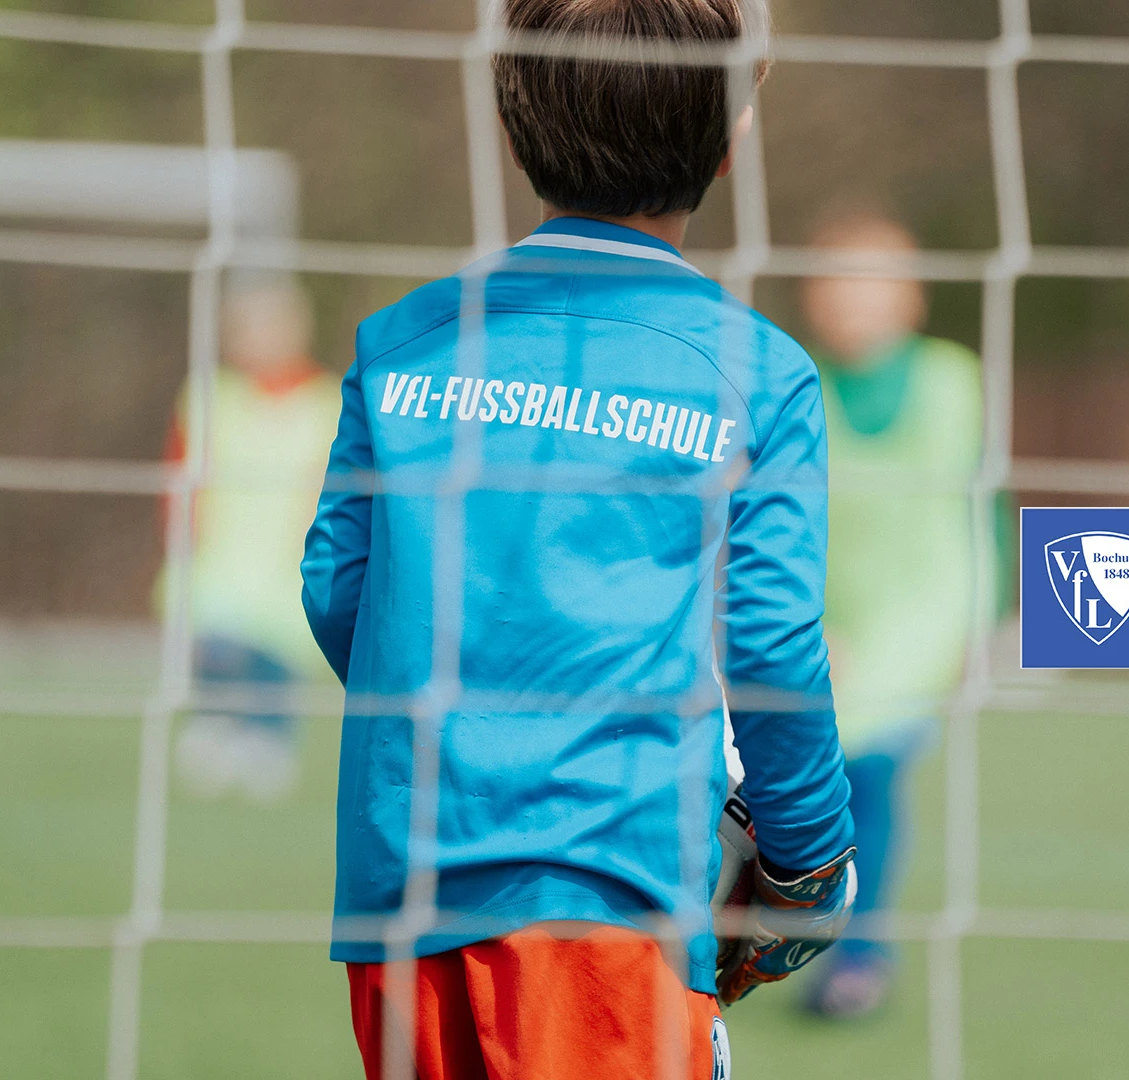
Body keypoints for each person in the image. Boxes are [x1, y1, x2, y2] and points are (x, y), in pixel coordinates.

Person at [300, 2, 856, 1076]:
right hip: (613, 890)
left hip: (404, 887)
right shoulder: (758, 373)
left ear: (514, 117)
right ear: (735, 133)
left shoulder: (406, 339)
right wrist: (808, 856)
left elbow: (339, 587)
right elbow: (774, 644)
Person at [798, 211, 986, 1019]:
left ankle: (860, 957)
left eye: (872, 280)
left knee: (868, 772)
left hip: (921, 612)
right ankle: (788, 933)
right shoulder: (797, 385)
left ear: (911, 298)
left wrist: (986, 617)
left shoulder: (951, 380)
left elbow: (980, 505)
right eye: (836, 280)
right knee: (801, 778)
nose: (852, 300)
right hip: (826, 617)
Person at [167, 281, 341, 804]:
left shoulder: (325, 399)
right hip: (220, 555)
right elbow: (180, 471)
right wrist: (183, 529)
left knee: (277, 654)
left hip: (289, 558)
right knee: (217, 643)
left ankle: (268, 744)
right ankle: (214, 725)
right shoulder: (210, 395)